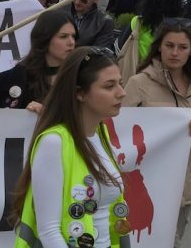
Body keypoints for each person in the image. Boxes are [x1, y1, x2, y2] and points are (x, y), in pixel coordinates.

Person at [11, 47, 128, 248]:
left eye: (120, 83)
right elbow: (49, 231)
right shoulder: (54, 143)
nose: (121, 93)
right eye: (109, 86)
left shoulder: (101, 133)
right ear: (80, 93)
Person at [121, 20, 191, 246]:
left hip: (183, 189)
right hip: (142, 187)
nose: (175, 52)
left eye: (182, 47)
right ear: (158, 47)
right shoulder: (138, 83)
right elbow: (118, 133)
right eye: (169, 45)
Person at [0, 11, 77, 110]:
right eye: (63, 36)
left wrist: (47, 114)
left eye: (74, 36)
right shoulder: (4, 81)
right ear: (45, 38)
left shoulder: (82, 78)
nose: (71, 42)